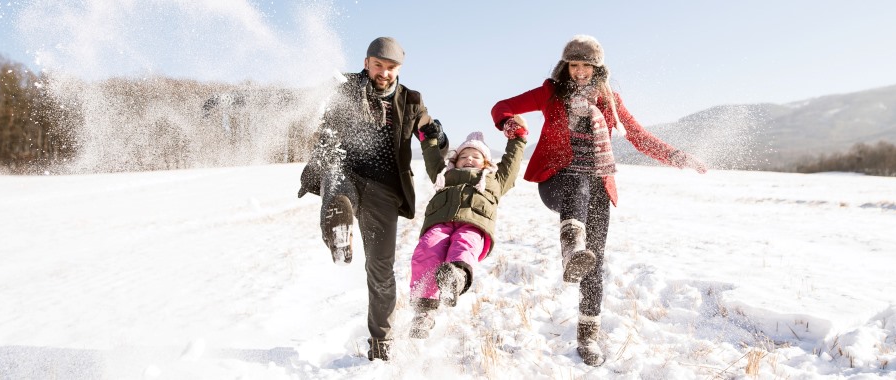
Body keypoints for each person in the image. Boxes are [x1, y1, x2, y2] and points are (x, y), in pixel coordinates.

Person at [489, 35, 707, 366]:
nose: (579, 72)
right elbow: (502, 106)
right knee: (578, 179)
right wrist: (510, 125)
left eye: (586, 66)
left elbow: (638, 137)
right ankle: (570, 244)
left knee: (595, 262)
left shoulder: (610, 101)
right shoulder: (551, 93)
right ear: (565, 67)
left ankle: (588, 336)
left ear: (597, 69)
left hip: (598, 186)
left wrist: (679, 157)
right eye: (573, 65)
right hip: (556, 180)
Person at [297, 36, 449, 361]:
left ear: (399, 69)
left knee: (381, 270)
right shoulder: (345, 86)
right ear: (367, 63)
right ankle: (338, 231)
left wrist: (437, 136)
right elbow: (304, 101)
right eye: (378, 65)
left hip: (384, 190)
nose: (384, 72)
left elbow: (427, 134)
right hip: (347, 171)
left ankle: (381, 345)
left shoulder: (411, 101)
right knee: (336, 183)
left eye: (391, 67)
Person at [408, 123, 528, 339]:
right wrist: (427, 139)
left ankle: (456, 277)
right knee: (427, 249)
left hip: (473, 225)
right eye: (464, 156)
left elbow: (511, 163)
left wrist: (518, 138)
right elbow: (432, 158)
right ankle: (424, 311)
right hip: (440, 223)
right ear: (455, 161)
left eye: (475, 156)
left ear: (486, 162)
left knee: (464, 244)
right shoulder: (445, 174)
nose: (469, 159)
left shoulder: (495, 179)